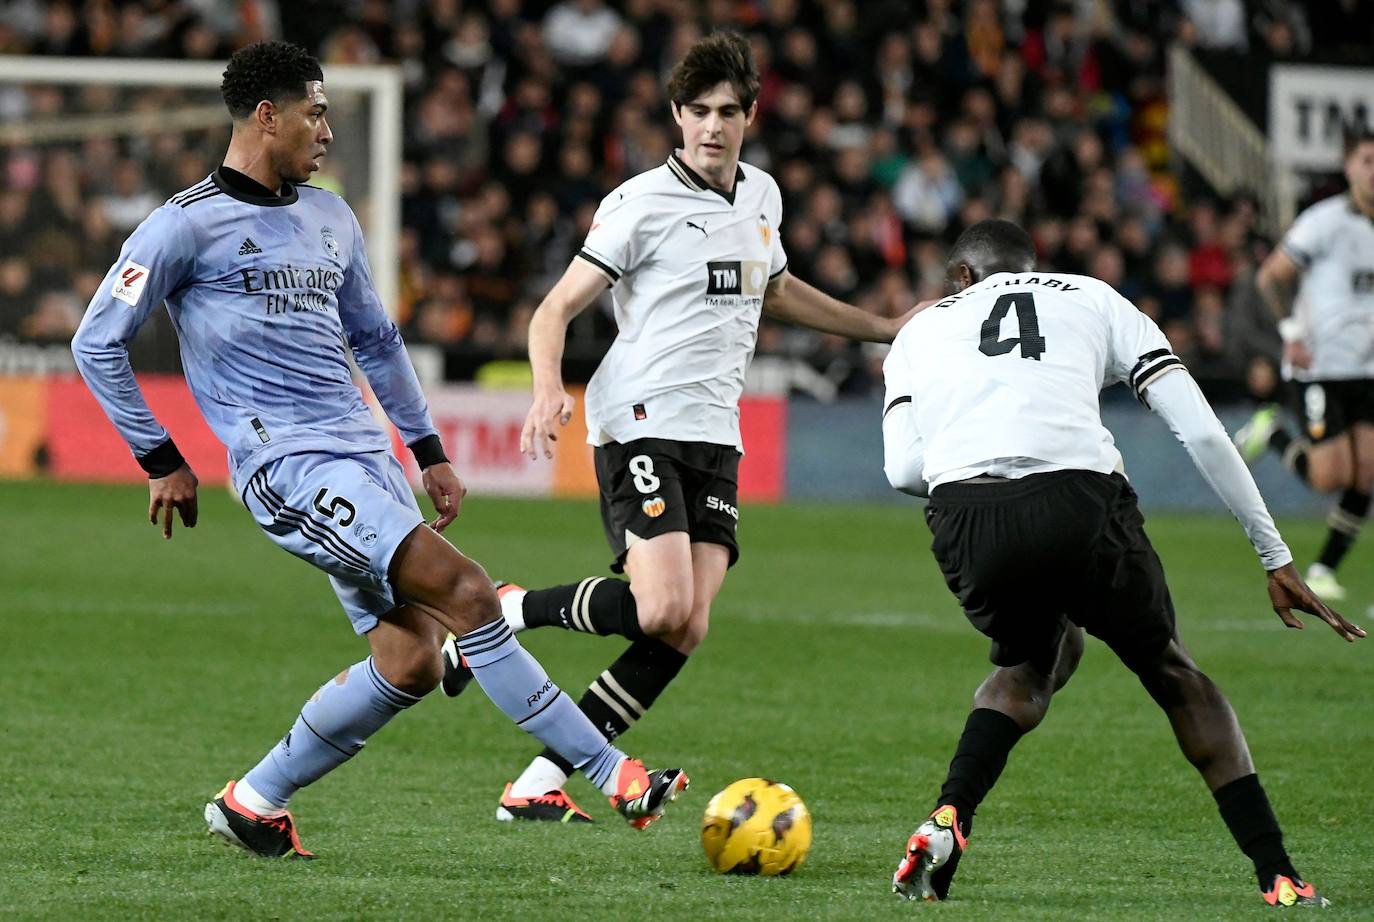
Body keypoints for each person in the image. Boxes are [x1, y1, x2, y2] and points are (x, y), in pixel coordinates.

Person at [70, 41, 686, 859]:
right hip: (286, 466)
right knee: (469, 592)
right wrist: (161, 459)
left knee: (411, 662)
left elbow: (377, 338)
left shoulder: (330, 215)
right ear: (268, 116)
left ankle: (254, 802)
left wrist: (426, 448)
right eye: (315, 112)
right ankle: (614, 775)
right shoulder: (182, 225)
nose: (327, 129)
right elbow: (94, 342)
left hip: (367, 460)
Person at [439, 30, 914, 822]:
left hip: (716, 435)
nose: (712, 127)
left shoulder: (762, 195)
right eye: (697, 111)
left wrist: (885, 326)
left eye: (728, 111)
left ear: (751, 115)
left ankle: (538, 782)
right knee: (658, 608)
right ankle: (504, 609)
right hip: (641, 421)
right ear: (676, 114)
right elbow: (554, 307)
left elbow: (781, 291)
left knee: (686, 626)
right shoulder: (637, 204)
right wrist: (547, 388)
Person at [881, 219, 1363, 906]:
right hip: (1078, 498)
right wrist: (1274, 552)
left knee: (1028, 663)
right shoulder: (1091, 296)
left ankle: (950, 813)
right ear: (1030, 263)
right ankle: (1278, 872)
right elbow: (1198, 426)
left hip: (966, 515)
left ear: (961, 277)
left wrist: (982, 454)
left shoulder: (917, 332)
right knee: (1173, 671)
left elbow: (902, 469)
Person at [1233, 129, 1374, 600]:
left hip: (1368, 370)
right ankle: (1272, 434)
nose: (1373, 172)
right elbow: (1270, 276)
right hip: (1320, 368)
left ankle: (1323, 569)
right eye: (1367, 161)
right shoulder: (1325, 221)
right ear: (1349, 166)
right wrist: (1291, 335)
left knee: (1368, 472)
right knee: (1329, 478)